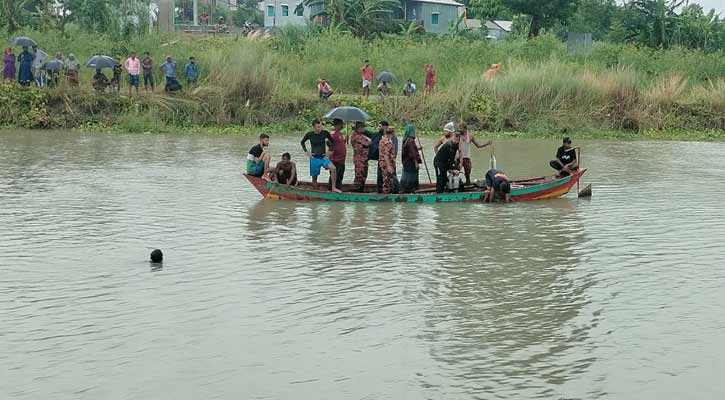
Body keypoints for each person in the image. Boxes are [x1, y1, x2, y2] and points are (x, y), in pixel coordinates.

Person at [300, 119, 341, 193]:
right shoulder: (309, 134)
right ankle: (315, 191)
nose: (320, 128)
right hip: (314, 158)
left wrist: (329, 152)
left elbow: (333, 142)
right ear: (313, 127)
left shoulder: (325, 133)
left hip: (323, 157)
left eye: (320, 126)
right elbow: (302, 142)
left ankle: (333, 187)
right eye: (318, 127)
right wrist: (307, 152)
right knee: (314, 179)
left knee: (333, 168)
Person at [400, 124, 422, 193]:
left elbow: (410, 150)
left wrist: (417, 148)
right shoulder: (411, 141)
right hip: (410, 162)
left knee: (406, 175)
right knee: (411, 176)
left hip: (406, 162)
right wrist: (416, 163)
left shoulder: (406, 139)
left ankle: (404, 189)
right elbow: (412, 153)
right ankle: (410, 190)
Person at [350, 121, 372, 192]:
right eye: (362, 127)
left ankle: (361, 190)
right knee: (359, 176)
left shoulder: (362, 136)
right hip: (359, 159)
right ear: (358, 128)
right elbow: (367, 143)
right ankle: (356, 191)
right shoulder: (356, 136)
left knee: (364, 175)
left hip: (364, 159)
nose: (363, 129)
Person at [327, 118, 347, 191]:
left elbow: (339, 144)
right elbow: (328, 142)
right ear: (338, 125)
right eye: (341, 124)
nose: (342, 126)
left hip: (341, 160)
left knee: (340, 177)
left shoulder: (340, 134)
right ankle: (331, 190)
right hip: (335, 160)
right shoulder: (333, 134)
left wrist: (345, 140)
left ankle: (338, 189)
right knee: (334, 176)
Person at [378, 126, 397, 194]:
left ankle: (387, 193)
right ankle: (387, 197)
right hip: (386, 164)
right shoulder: (387, 142)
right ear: (391, 133)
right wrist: (389, 166)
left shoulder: (381, 140)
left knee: (386, 180)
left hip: (383, 163)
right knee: (387, 182)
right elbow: (386, 155)